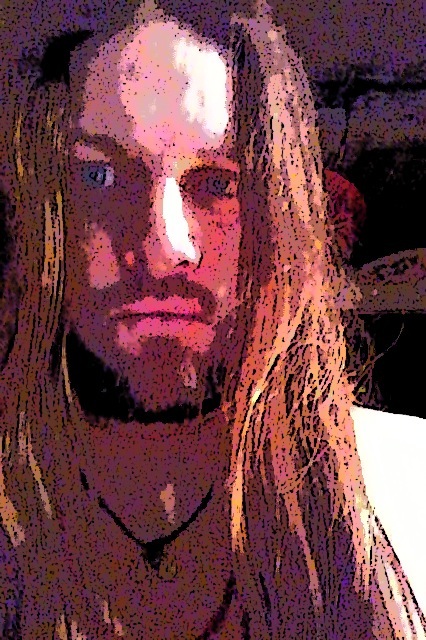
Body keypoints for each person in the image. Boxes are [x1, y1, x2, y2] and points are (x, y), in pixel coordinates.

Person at [0, 1, 424, 637]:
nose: (164, 247)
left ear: (280, 217)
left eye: (219, 184)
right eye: (100, 175)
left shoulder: (407, 497)